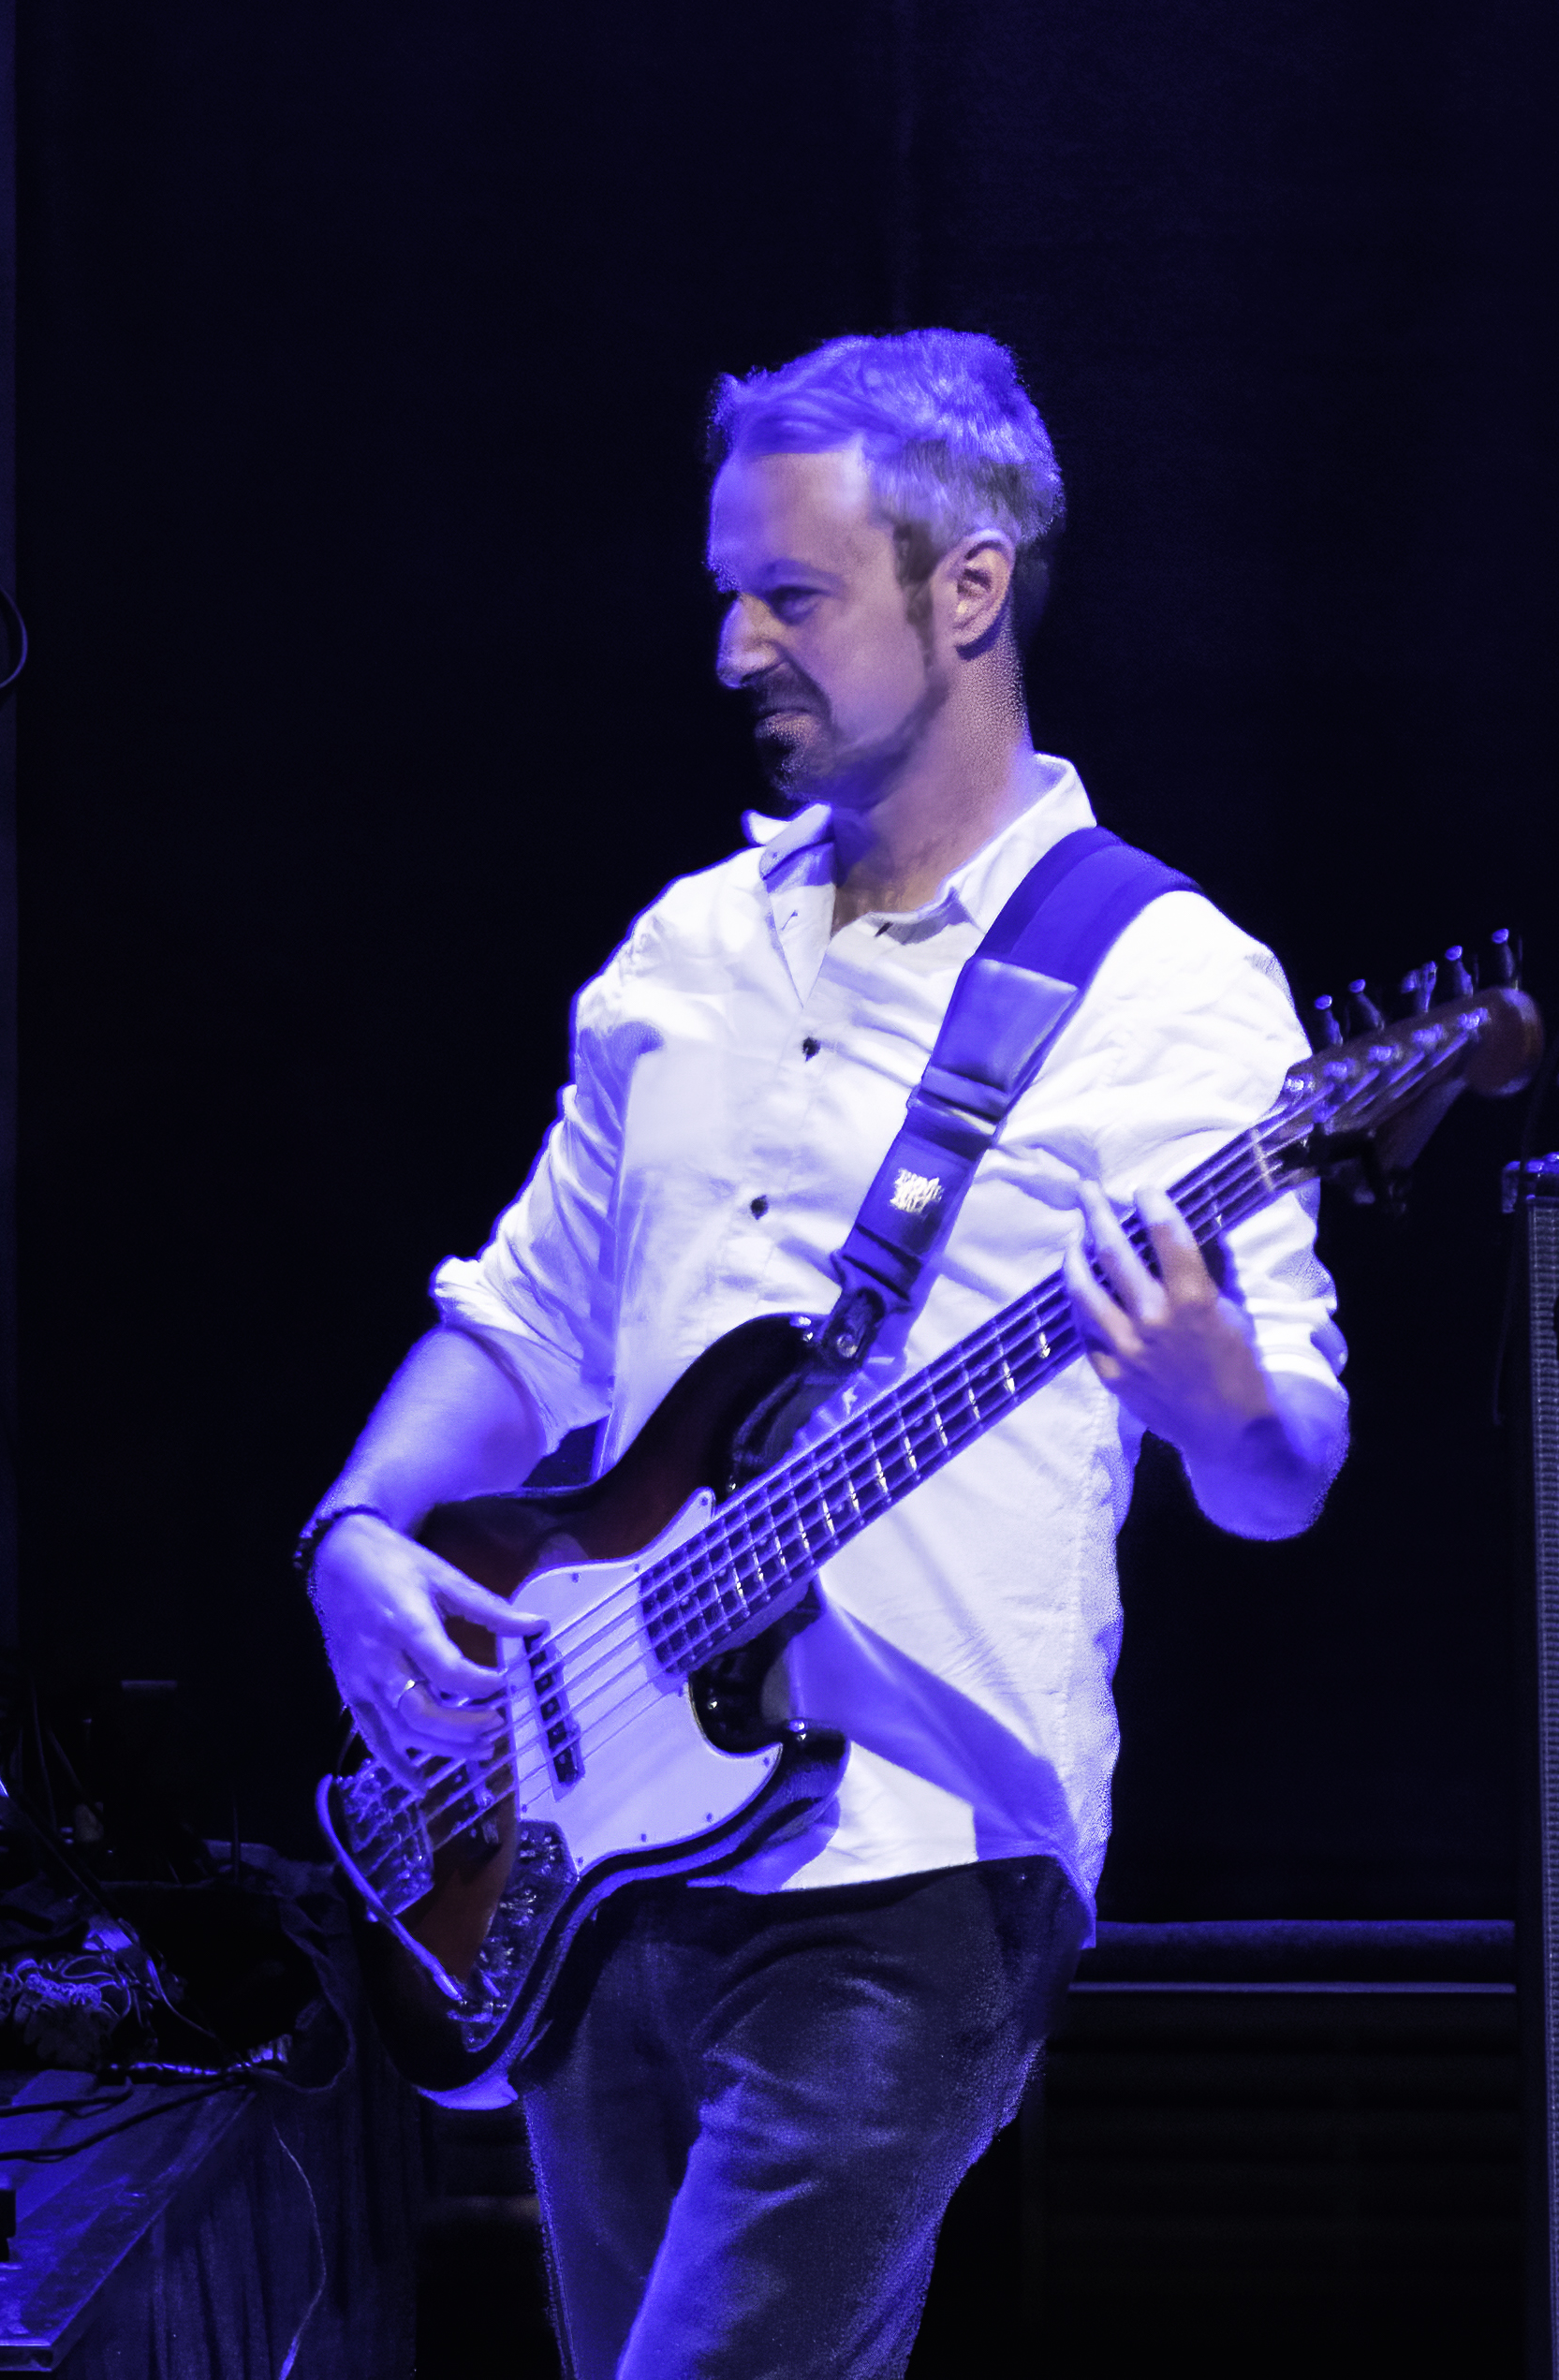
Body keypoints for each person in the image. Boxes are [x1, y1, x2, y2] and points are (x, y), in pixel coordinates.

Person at [296, 331, 1346, 2379]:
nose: (731, 645)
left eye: (790, 594)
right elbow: (516, 1311)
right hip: (598, 1835)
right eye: (723, 592)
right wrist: (352, 1524)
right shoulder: (683, 948)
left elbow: (1282, 1468)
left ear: (967, 591)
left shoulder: (1163, 983)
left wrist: (1212, 1391)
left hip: (912, 1872)